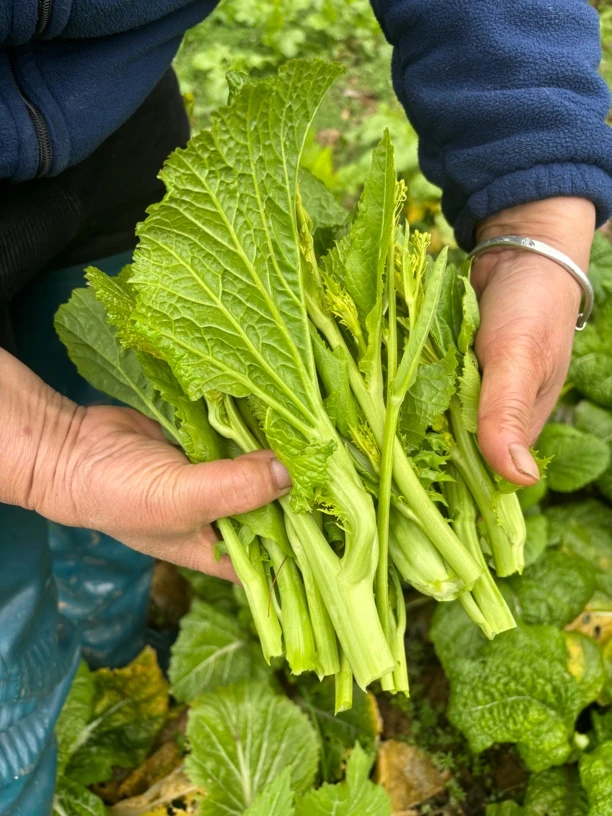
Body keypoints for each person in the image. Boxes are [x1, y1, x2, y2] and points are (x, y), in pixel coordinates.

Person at [0, 1, 610, 812]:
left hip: (113, 124)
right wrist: (39, 455)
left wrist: (534, 196)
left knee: (128, 448)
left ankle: (114, 649)